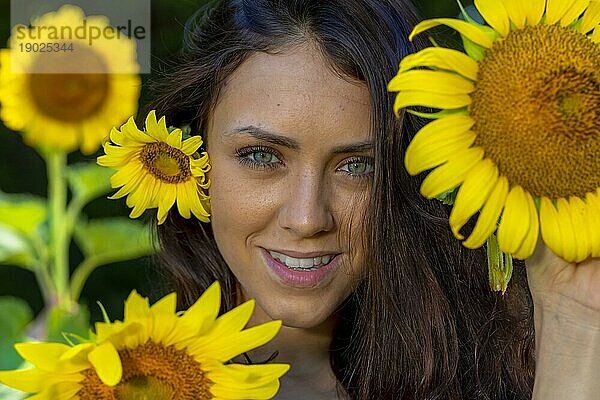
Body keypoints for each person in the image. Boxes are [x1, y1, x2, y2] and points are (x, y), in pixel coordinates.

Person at [149, 0, 600, 399]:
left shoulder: (494, 373)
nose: (308, 218)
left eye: (358, 166)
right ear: (193, 156)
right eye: (262, 156)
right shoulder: (118, 378)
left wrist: (574, 313)